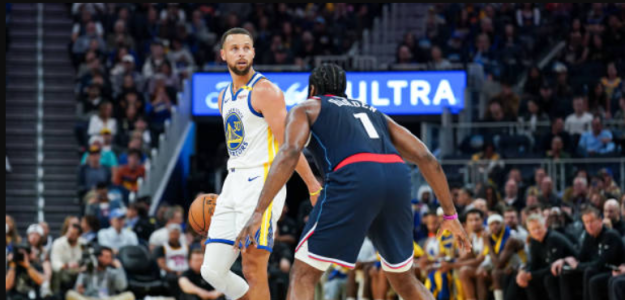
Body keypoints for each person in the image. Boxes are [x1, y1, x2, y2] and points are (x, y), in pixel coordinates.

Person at [234, 63, 470, 300]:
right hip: (398, 176)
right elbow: (426, 158)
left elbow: (290, 152)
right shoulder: (375, 113)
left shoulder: (307, 107)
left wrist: (258, 211)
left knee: (303, 274)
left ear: (312, 88)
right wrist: (450, 215)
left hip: (354, 175)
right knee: (405, 279)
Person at [199, 28, 321, 300]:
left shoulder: (267, 91)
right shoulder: (223, 98)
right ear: (223, 55)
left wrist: (313, 185)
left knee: (253, 267)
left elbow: (289, 147)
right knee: (212, 271)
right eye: (234, 49)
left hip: (263, 181)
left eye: (246, 48)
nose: (241, 53)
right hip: (233, 182)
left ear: (253, 52)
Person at [549, 207, 625, 300]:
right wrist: (564, 260)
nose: (589, 225)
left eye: (592, 221)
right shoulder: (589, 236)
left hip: (611, 270)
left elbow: (601, 264)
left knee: (592, 276)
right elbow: (580, 257)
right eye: (586, 222)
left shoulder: (611, 235)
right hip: (595, 269)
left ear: (600, 220)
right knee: (565, 274)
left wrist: (578, 266)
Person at [515, 213, 577, 300]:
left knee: (549, 279)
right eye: (533, 229)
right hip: (549, 270)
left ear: (545, 226)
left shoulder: (553, 239)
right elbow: (534, 264)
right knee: (527, 280)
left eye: (538, 227)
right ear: (529, 231)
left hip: (568, 270)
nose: (536, 231)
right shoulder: (534, 240)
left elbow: (554, 267)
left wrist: (532, 275)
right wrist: (524, 273)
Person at [476, 214, 526, 300]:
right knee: (480, 274)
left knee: (496, 273)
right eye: (492, 224)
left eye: (497, 223)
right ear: (488, 227)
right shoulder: (492, 237)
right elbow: (488, 258)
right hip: (506, 267)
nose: (495, 226)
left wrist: (487, 244)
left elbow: (499, 264)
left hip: (521, 267)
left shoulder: (511, 237)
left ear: (503, 225)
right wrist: (483, 267)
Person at [65, 246, 135, 300]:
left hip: (108, 298)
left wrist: (119, 267)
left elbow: (122, 287)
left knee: (130, 295)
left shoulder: (112, 272)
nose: (104, 259)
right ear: (97, 256)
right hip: (89, 298)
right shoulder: (87, 270)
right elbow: (77, 289)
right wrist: (79, 290)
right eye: (102, 256)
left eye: (108, 257)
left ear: (111, 260)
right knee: (70, 294)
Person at [50, 223, 84, 294]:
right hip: (64, 272)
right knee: (60, 274)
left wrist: (84, 267)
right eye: (68, 232)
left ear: (79, 235)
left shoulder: (83, 243)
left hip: (80, 272)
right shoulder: (58, 243)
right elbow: (55, 263)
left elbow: (89, 258)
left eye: (72, 234)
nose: (69, 235)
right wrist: (67, 265)